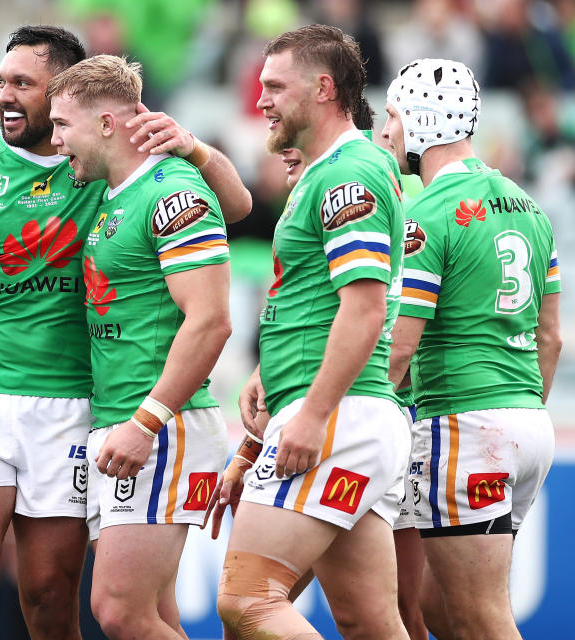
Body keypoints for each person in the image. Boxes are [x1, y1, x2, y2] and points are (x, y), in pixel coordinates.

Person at [0, 25, 250, 640]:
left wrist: (196, 148)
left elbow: (234, 208)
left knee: (53, 597)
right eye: (0, 82)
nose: (5, 96)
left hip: (77, 407)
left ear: (68, 99)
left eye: (24, 84)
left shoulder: (107, 174)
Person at [216, 25, 410, 640]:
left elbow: (364, 308)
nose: (261, 100)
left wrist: (310, 415)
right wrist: (267, 381)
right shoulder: (329, 172)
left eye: (275, 86)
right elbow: (316, 303)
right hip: (347, 415)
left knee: (246, 603)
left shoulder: (348, 174)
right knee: (368, 621)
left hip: (336, 418)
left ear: (324, 88)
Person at [45, 54, 232, 639]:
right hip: (126, 422)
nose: (53, 142)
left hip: (161, 427)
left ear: (106, 123)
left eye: (62, 125)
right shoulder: (114, 194)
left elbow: (211, 321)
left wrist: (145, 422)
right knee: (153, 616)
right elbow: (242, 204)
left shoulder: (171, 190)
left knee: (118, 611)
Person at [384, 58, 560, 640]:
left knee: (482, 618)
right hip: (530, 422)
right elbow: (551, 335)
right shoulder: (530, 207)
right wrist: (518, 407)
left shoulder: (426, 212)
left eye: (393, 117)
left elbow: (400, 348)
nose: (387, 132)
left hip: (466, 423)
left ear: (422, 121)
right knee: (441, 610)